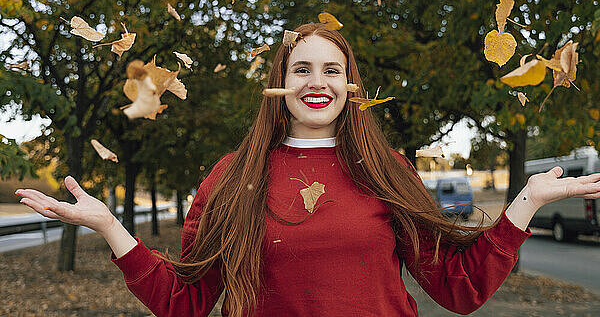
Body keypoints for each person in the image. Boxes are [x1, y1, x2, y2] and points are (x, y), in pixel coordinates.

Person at [15, 23, 600, 317]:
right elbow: (183, 301)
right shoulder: (234, 176)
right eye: (300, 69)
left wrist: (525, 204)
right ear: (280, 84)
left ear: (350, 87)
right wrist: (111, 228)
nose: (316, 81)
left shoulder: (387, 169)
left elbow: (457, 287)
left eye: (331, 70)